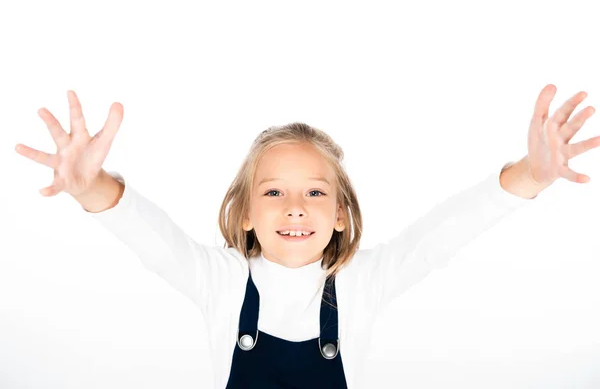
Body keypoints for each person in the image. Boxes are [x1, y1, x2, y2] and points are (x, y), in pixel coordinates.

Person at [14, 85, 598, 388]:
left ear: (342, 213)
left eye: (316, 193)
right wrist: (90, 187)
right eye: (273, 192)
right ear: (242, 212)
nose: (295, 206)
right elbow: (152, 237)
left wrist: (530, 174)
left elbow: (442, 235)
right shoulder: (220, 281)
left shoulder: (362, 282)